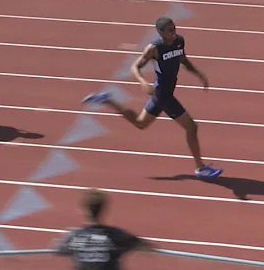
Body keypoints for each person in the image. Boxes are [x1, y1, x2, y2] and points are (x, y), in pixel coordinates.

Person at [81, 16, 223, 179]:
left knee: (140, 124)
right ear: (161, 32)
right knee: (192, 127)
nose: (173, 31)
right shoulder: (154, 48)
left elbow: (183, 59)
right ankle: (200, 168)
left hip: (163, 93)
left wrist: (199, 74)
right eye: (170, 30)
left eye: (174, 27)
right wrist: (142, 81)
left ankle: (107, 100)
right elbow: (135, 66)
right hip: (162, 94)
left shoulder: (179, 41)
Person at [52, 188, 154, 269]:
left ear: (83, 210)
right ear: (104, 209)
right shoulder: (117, 235)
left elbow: (58, 249)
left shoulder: (73, 235)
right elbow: (146, 247)